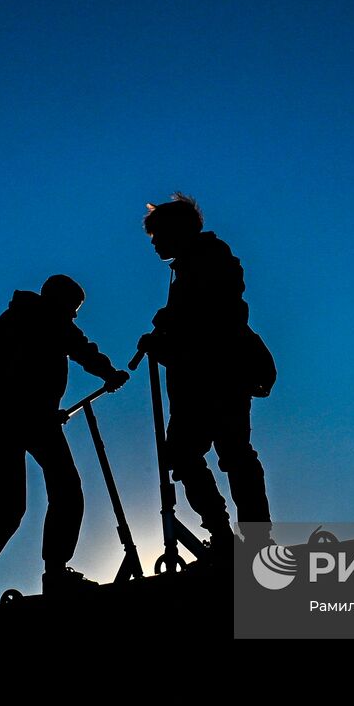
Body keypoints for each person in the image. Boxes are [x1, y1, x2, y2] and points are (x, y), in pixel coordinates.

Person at [0, 274, 128, 611]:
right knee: (64, 490)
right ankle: (53, 573)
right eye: (72, 309)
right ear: (59, 301)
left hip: (18, 420)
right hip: (25, 420)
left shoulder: (12, 321)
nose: (73, 316)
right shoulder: (46, 319)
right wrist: (110, 374)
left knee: (12, 503)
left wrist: (11, 411)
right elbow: (81, 348)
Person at [136, 194, 272, 561]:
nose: (155, 243)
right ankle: (226, 535)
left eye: (157, 235)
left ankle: (251, 540)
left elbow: (213, 323)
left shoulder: (210, 260)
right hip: (199, 380)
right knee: (192, 454)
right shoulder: (192, 267)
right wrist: (165, 334)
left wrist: (168, 327)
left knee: (231, 454)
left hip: (217, 377)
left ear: (176, 231)